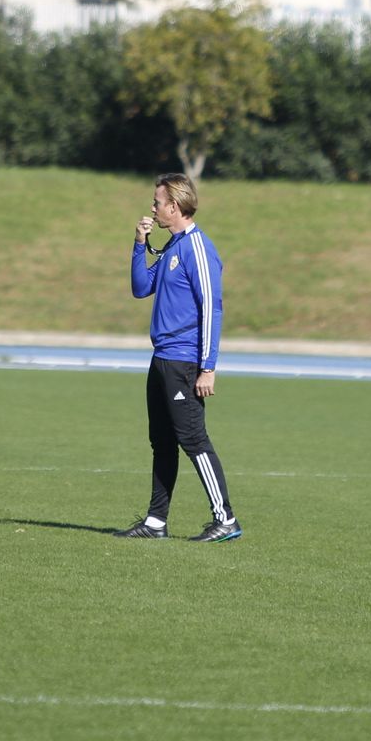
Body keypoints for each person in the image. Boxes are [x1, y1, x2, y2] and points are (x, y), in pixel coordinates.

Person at [113, 173, 242, 543]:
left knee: (193, 439)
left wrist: (208, 367)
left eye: (157, 202)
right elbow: (141, 288)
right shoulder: (171, 246)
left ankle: (226, 519)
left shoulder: (198, 248)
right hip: (161, 359)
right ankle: (156, 521)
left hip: (185, 362)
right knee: (162, 442)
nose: (152, 207)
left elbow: (211, 310)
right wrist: (140, 243)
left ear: (174, 205)